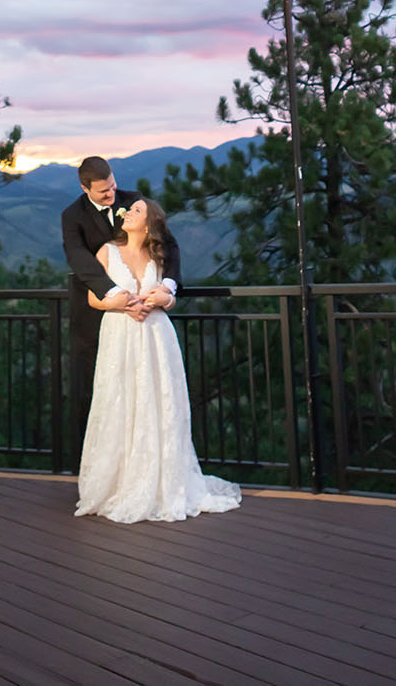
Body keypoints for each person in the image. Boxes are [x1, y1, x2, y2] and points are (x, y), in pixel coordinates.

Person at [75, 196, 242, 523]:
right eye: (130, 208)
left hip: (156, 338)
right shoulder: (107, 252)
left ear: (150, 223)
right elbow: (94, 299)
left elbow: (170, 299)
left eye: (137, 210)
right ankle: (119, 483)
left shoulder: (159, 255)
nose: (128, 212)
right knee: (119, 402)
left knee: (158, 404)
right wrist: (122, 305)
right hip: (120, 337)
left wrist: (165, 298)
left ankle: (161, 481)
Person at [60, 156, 179, 463]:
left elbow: (168, 244)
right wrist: (118, 297)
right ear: (85, 187)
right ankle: (95, 469)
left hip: (146, 327)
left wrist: (168, 287)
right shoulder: (72, 216)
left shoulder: (135, 202)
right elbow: (79, 260)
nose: (111, 195)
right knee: (100, 395)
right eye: (103, 192)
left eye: (112, 186)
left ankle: (148, 464)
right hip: (97, 315)